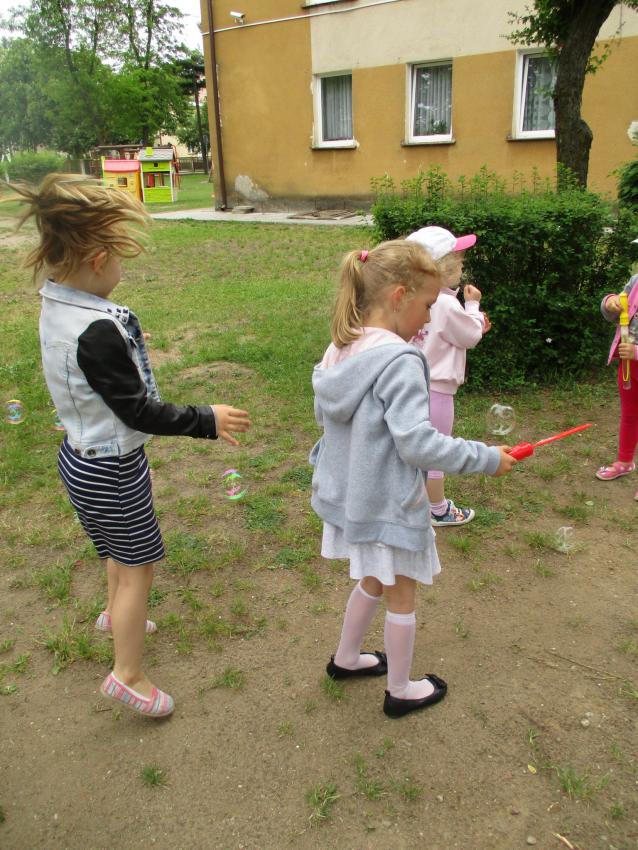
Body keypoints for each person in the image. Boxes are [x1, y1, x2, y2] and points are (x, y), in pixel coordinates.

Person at [15, 174, 251, 717]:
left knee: (116, 552)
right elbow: (139, 411)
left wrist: (123, 351)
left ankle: (113, 613)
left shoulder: (56, 303)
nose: (122, 267)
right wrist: (207, 419)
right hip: (113, 468)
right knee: (139, 565)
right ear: (98, 259)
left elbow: (88, 373)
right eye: (119, 257)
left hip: (78, 460)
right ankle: (128, 675)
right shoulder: (96, 330)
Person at [310, 240, 516, 718]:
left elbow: (328, 420)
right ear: (399, 296)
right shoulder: (400, 359)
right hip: (389, 503)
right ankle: (401, 690)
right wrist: (486, 458)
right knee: (401, 593)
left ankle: (346, 658)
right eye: (427, 305)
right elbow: (418, 444)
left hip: (354, 499)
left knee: (372, 578)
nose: (428, 319)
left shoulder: (340, 347)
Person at [406, 226, 490, 527]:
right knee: (437, 452)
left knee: (415, 447)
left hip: (410, 384)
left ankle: (410, 502)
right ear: (441, 268)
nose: (462, 267)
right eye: (458, 262)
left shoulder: (413, 297)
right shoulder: (446, 303)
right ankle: (438, 509)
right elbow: (470, 335)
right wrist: (474, 308)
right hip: (439, 391)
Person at [596, 269, 638, 500]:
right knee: (630, 415)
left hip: (633, 356)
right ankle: (624, 461)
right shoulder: (636, 281)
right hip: (629, 366)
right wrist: (610, 302)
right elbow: (617, 306)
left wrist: (636, 351)